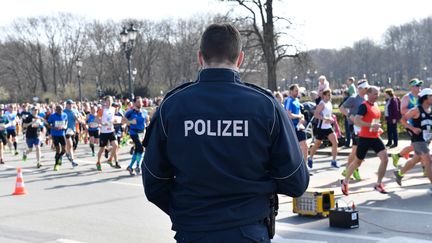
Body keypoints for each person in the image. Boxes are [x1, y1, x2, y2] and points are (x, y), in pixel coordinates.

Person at [142, 23, 309, 242]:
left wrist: (190, 213)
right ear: (240, 58)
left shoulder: (172, 106)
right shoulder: (265, 106)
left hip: (193, 230)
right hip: (248, 230)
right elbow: (294, 181)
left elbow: (154, 181)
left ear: (200, 57)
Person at [341, 86, 389, 195]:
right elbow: (357, 121)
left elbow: (374, 121)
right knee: (357, 162)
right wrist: (371, 125)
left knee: (385, 158)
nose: (377, 96)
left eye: (378, 94)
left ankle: (378, 184)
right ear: (369, 94)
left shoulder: (376, 106)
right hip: (364, 138)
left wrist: (377, 127)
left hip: (375, 137)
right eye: (375, 94)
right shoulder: (364, 106)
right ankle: (345, 181)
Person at [394, 88, 432, 186]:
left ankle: (399, 173)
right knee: (428, 161)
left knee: (415, 160)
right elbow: (403, 120)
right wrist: (413, 128)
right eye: (431, 96)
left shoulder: (430, 109)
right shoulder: (416, 110)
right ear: (425, 98)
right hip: (418, 140)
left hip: (426, 139)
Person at [339, 79, 369, 181]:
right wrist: (349, 116)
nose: (367, 89)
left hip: (364, 126)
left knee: (358, 150)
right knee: (356, 150)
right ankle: (353, 169)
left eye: (367, 88)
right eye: (365, 88)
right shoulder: (353, 98)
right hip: (355, 126)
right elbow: (341, 108)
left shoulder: (367, 99)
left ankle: (348, 169)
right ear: (360, 89)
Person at [391, 78, 422, 167]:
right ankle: (398, 155)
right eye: (417, 85)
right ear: (411, 87)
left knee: (419, 145)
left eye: (420, 85)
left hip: (421, 125)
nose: (419, 87)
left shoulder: (421, 97)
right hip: (411, 125)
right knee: (419, 145)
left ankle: (400, 155)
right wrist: (415, 111)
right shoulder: (407, 97)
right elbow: (402, 110)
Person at [308, 88, 339, 168]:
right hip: (321, 127)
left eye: (330, 94)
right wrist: (325, 118)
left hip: (328, 127)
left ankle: (334, 161)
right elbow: (316, 114)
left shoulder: (329, 103)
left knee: (335, 142)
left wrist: (331, 119)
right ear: (324, 96)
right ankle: (310, 158)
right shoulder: (322, 104)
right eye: (328, 95)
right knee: (317, 144)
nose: (330, 96)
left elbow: (329, 114)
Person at [124, 96, 148, 175]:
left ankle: (130, 166)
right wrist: (130, 122)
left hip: (142, 133)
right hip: (134, 133)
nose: (140, 103)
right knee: (140, 149)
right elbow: (122, 120)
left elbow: (147, 121)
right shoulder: (130, 112)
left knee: (138, 150)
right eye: (138, 102)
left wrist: (147, 125)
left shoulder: (144, 111)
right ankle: (138, 166)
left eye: (141, 102)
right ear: (134, 103)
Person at [96, 96, 120, 171]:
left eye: (110, 101)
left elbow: (114, 118)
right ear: (105, 102)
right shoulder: (102, 110)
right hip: (104, 132)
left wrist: (115, 121)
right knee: (102, 149)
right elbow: (96, 119)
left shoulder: (113, 109)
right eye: (108, 101)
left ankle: (110, 160)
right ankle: (98, 162)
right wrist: (101, 123)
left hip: (111, 131)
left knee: (116, 145)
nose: (109, 102)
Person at [284, 84, 308, 161]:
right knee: (293, 149)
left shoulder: (297, 100)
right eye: (296, 91)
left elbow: (300, 113)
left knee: (305, 146)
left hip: (299, 127)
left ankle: (305, 167)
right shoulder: (288, 100)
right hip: (291, 127)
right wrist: (299, 116)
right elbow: (288, 115)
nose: (298, 92)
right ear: (291, 91)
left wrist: (302, 118)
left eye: (298, 91)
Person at [46, 105, 68, 171]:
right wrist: (53, 127)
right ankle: (56, 165)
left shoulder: (65, 114)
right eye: (59, 110)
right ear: (56, 110)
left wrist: (65, 126)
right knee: (58, 149)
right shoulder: (52, 116)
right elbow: (48, 125)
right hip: (55, 134)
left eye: (62, 110)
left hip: (62, 134)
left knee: (64, 150)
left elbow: (66, 121)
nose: (61, 111)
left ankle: (59, 157)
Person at [63, 99, 80, 167]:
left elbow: (79, 120)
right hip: (66, 130)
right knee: (70, 145)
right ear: (66, 105)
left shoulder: (75, 111)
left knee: (73, 145)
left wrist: (77, 118)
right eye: (69, 104)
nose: (71, 105)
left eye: (72, 104)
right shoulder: (63, 112)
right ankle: (73, 161)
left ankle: (67, 153)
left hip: (73, 130)